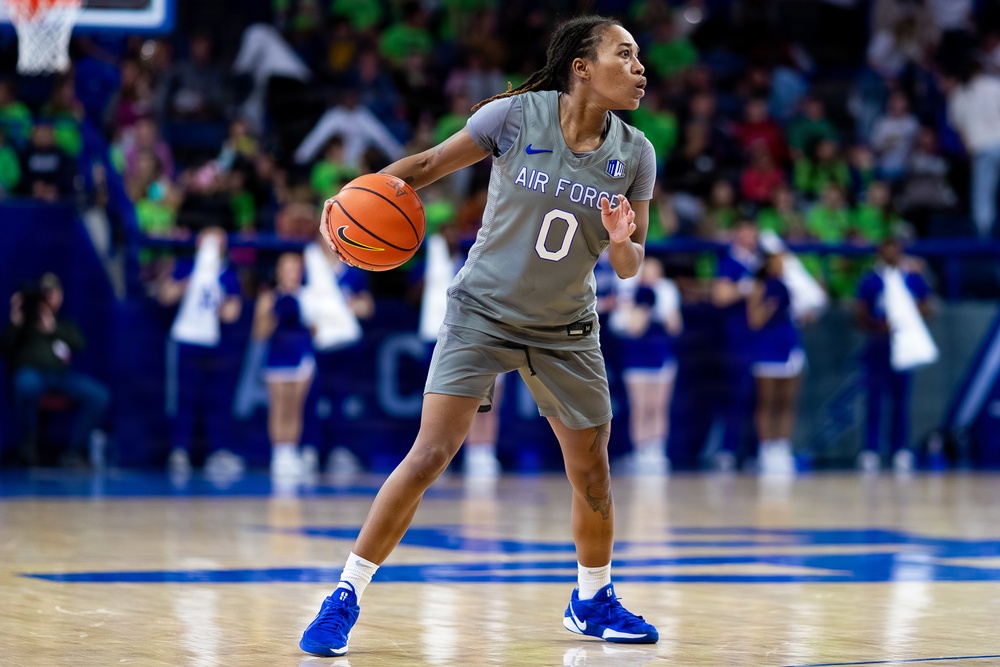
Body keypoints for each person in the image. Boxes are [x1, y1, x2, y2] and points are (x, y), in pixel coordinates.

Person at [299, 15, 658, 656]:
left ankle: (593, 598)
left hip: (566, 328)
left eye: (639, 58)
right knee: (430, 455)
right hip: (481, 312)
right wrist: (355, 201)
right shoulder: (515, 116)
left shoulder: (635, 154)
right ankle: (343, 596)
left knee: (594, 476)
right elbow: (431, 163)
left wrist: (625, 240)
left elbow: (630, 265)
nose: (639, 68)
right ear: (582, 66)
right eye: (624, 55)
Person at [1, 273, 110, 467]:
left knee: (99, 395)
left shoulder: (64, 324)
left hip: (61, 377)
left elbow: (79, 345)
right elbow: (6, 348)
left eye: (53, 292)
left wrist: (52, 329)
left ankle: (74, 450)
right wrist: (16, 321)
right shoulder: (23, 327)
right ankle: (28, 447)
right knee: (26, 384)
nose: (49, 297)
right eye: (45, 293)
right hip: (32, 373)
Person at [158, 228, 243, 477]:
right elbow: (166, 296)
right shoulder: (186, 267)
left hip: (216, 344)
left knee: (216, 399)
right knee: (184, 397)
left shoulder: (228, 274)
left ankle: (217, 451)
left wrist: (217, 296)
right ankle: (179, 450)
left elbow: (231, 313)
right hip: (186, 340)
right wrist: (194, 280)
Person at [854, 237, 935, 473]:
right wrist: (879, 326)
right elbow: (859, 313)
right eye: (887, 249)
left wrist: (914, 314)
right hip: (879, 345)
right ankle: (871, 449)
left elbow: (927, 305)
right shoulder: (871, 281)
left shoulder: (912, 278)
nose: (891, 253)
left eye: (895, 249)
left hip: (905, 344)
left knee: (901, 399)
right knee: (875, 399)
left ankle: (900, 447)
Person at [610, 257, 682, 475]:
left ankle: (657, 449)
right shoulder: (630, 295)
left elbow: (675, 327)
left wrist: (664, 306)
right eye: (647, 272)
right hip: (637, 360)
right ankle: (641, 449)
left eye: (655, 272)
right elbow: (633, 328)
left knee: (658, 407)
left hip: (662, 358)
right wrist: (643, 305)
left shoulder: (667, 293)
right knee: (640, 407)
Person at [252, 252, 315, 479]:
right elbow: (259, 334)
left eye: (296, 269)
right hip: (278, 357)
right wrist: (275, 312)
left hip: (301, 356)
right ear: (279, 271)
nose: (292, 274)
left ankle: (291, 450)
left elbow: (317, 329)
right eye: (287, 269)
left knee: (295, 407)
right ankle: (279, 453)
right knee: (279, 406)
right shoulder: (269, 297)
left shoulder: (308, 295)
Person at [746, 253, 804, 476]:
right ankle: (766, 448)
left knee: (787, 401)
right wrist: (770, 306)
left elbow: (803, 316)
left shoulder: (792, 286)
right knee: (767, 401)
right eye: (777, 261)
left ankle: (782, 446)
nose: (782, 265)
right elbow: (754, 320)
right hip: (767, 349)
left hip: (790, 347)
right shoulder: (760, 287)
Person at [709, 219, 760, 471]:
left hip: (761, 340)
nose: (750, 235)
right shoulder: (729, 262)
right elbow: (720, 296)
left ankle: (756, 450)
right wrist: (745, 288)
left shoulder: (761, 262)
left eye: (752, 230)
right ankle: (728, 449)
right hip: (737, 340)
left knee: (760, 396)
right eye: (745, 229)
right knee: (737, 394)